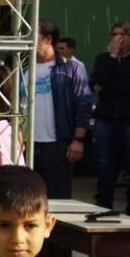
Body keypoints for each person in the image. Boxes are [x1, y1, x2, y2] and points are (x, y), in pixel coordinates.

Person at [91, 21, 130, 215]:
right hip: (106, 118)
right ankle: (103, 206)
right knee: (105, 163)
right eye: (114, 34)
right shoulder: (104, 58)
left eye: (122, 34)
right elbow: (97, 80)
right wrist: (112, 57)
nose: (118, 39)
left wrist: (110, 86)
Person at [28, 22, 91, 210]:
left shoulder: (71, 69)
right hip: (28, 146)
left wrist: (78, 139)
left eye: (33, 36)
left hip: (57, 146)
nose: (27, 41)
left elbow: (84, 104)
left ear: (48, 39)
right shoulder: (22, 68)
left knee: (58, 202)